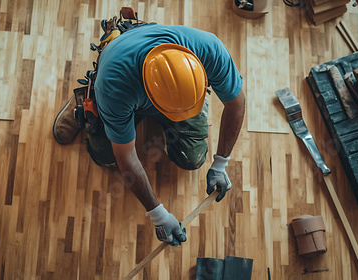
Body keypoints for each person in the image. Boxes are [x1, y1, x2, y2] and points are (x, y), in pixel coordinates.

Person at [53, 24, 245, 247]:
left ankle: (190, 100)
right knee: (105, 156)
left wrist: (221, 162)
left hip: (172, 90)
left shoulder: (209, 49)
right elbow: (126, 156)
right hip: (121, 85)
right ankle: (88, 94)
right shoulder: (114, 86)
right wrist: (157, 214)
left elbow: (236, 103)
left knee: (193, 158)